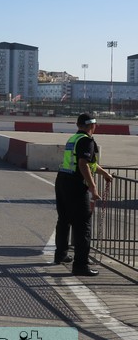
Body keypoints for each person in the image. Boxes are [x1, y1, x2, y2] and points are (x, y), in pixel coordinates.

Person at [54, 113, 113, 276]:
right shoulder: (87, 141)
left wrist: (104, 173)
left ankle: (61, 254)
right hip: (75, 185)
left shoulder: (73, 139)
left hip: (62, 181)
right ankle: (81, 265)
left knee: (64, 220)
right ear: (91, 126)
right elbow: (83, 164)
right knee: (82, 226)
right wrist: (93, 188)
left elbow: (90, 164)